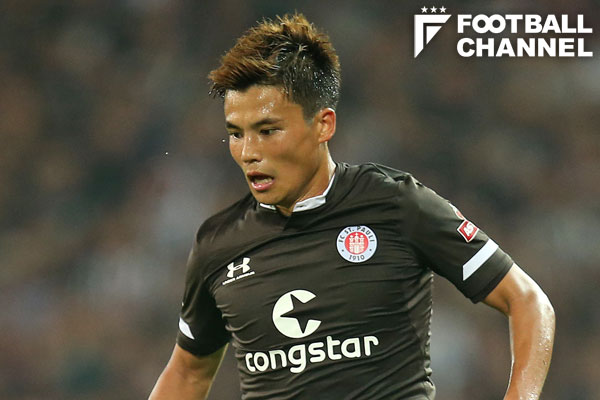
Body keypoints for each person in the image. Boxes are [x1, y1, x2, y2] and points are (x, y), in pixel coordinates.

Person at [149, 13, 555, 400]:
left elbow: (527, 300)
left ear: (323, 124)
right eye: (236, 134)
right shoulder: (218, 245)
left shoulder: (395, 204)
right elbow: (188, 373)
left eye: (268, 130)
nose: (248, 152)